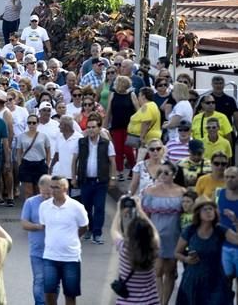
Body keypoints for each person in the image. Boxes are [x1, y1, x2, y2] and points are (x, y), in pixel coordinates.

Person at [174, 198, 238, 305]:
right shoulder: (190, 230)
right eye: (205, 209)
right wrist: (186, 259)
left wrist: (235, 222)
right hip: (193, 279)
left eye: (211, 209)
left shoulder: (219, 230)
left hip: (215, 280)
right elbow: (176, 253)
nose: (209, 212)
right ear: (198, 213)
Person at [39, 175, 89, 305]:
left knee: (70, 295)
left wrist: (72, 239)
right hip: (50, 256)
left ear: (65, 189)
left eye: (57, 187)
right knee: (49, 293)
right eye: (52, 186)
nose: (53, 190)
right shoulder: (44, 206)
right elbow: (44, 226)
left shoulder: (77, 207)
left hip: (70, 258)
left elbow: (84, 227)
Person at [141, 161, 184, 305]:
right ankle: (158, 302)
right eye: (160, 172)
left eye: (167, 172)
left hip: (174, 235)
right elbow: (145, 214)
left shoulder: (182, 192)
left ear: (174, 175)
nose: (163, 175)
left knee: (170, 271)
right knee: (157, 271)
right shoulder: (150, 191)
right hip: (156, 234)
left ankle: (165, 302)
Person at [72, 114, 116, 245]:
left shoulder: (106, 143)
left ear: (99, 128)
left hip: (100, 181)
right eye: (89, 127)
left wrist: (112, 178)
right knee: (86, 207)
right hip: (85, 181)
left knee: (99, 207)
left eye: (93, 127)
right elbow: (75, 160)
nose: (91, 130)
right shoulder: (81, 142)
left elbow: (112, 161)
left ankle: (97, 233)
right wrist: (74, 177)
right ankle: (89, 229)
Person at [109, 196, 161, 305]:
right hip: (150, 302)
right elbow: (155, 232)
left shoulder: (124, 249)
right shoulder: (153, 249)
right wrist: (140, 210)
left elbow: (114, 230)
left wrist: (119, 211)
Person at [20, 174, 53, 305]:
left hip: (55, 251)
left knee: (52, 282)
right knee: (39, 280)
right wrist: (39, 226)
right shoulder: (30, 202)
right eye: (43, 193)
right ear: (39, 188)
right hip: (37, 251)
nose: (46, 197)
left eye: (49, 193)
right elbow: (24, 223)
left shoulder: (58, 203)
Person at [17, 114, 51, 200]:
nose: (31, 125)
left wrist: (47, 163)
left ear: (37, 124)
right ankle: (29, 209)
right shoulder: (21, 136)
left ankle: (39, 210)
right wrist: (19, 164)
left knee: (39, 190)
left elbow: (48, 150)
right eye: (29, 123)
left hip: (40, 164)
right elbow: (19, 151)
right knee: (28, 191)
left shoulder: (44, 136)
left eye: (34, 123)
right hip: (26, 164)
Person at [217, 166, 238, 301]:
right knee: (225, 282)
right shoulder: (220, 194)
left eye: (233, 177)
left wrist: (235, 220)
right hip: (224, 245)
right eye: (227, 177)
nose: (229, 180)